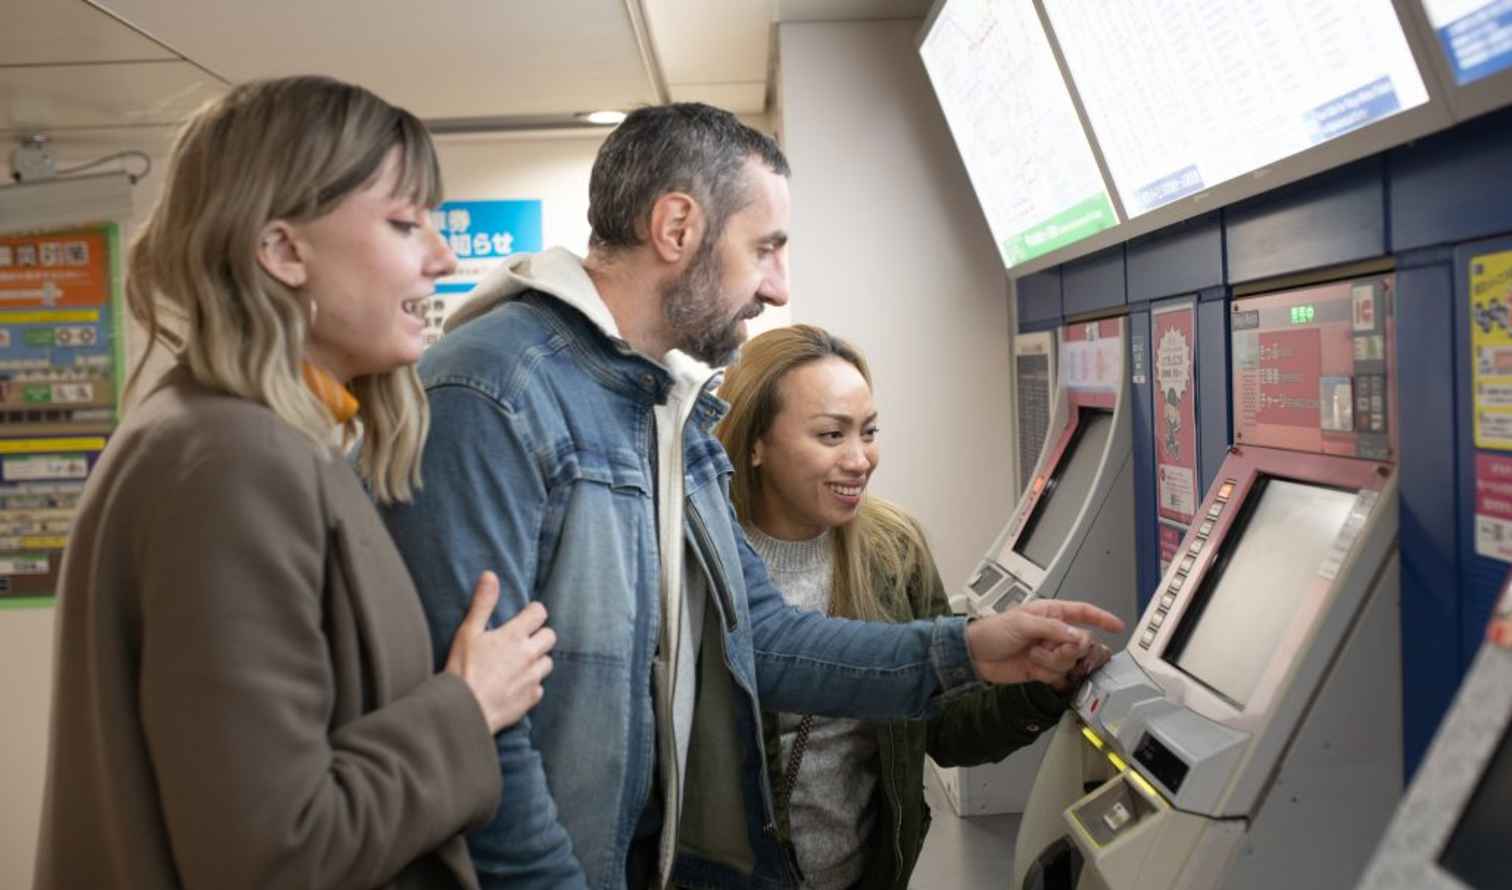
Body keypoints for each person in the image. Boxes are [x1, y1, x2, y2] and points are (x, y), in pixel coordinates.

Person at [379, 102, 1123, 890]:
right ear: (677, 228)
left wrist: (965, 649)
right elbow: (479, 723)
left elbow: (758, 637)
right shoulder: (497, 390)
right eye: (764, 248)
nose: (777, 286)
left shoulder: (664, 407)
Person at [33, 76, 557, 890]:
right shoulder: (230, 462)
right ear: (281, 251)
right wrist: (468, 705)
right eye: (403, 222)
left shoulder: (248, 438)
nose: (443, 256)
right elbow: (275, 853)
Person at [716, 324, 1109, 889]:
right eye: (831, 435)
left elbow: (947, 727)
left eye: (868, 432)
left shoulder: (892, 551)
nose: (860, 460)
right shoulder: (700, 561)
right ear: (755, 442)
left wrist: (1041, 685)